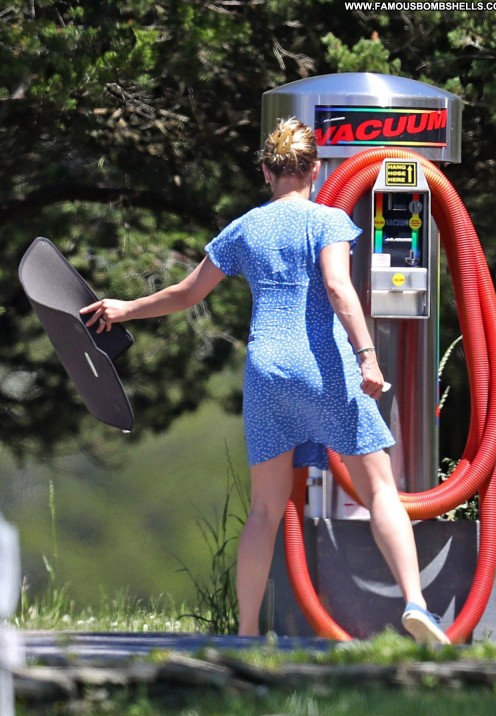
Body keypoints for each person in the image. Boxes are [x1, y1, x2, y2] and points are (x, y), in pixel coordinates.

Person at [80, 117, 449, 645]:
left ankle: (247, 632)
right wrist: (367, 355)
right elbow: (338, 287)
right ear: (315, 170)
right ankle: (415, 603)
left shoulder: (245, 227)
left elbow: (187, 294)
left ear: (266, 172)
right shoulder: (327, 220)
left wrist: (126, 308)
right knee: (380, 490)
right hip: (323, 365)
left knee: (264, 510)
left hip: (267, 369)